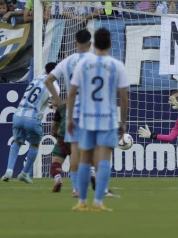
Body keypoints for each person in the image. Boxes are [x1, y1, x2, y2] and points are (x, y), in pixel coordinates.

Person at [67, 28, 129, 211]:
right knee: (103, 160)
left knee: (85, 158)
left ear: (93, 45)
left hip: (86, 118)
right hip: (107, 119)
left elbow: (71, 93)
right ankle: (98, 202)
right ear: (110, 44)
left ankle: (81, 202)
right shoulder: (117, 65)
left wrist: (70, 118)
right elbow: (124, 97)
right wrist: (123, 121)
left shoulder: (83, 64)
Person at [45, 29, 92, 198]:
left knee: (74, 150)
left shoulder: (66, 61)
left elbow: (48, 80)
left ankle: (76, 189)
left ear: (74, 43)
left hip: (73, 109)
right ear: (91, 44)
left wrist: (57, 100)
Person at [1, 62, 60, 183]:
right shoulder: (54, 85)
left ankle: (9, 170)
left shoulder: (36, 78)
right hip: (32, 119)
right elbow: (55, 104)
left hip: (18, 115)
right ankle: (24, 173)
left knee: (17, 142)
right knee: (35, 145)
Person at [50, 102, 121, 198]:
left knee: (57, 160)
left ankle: (58, 178)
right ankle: (94, 177)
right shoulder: (89, 102)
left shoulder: (62, 106)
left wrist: (55, 133)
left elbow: (54, 126)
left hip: (64, 133)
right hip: (82, 128)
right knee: (87, 157)